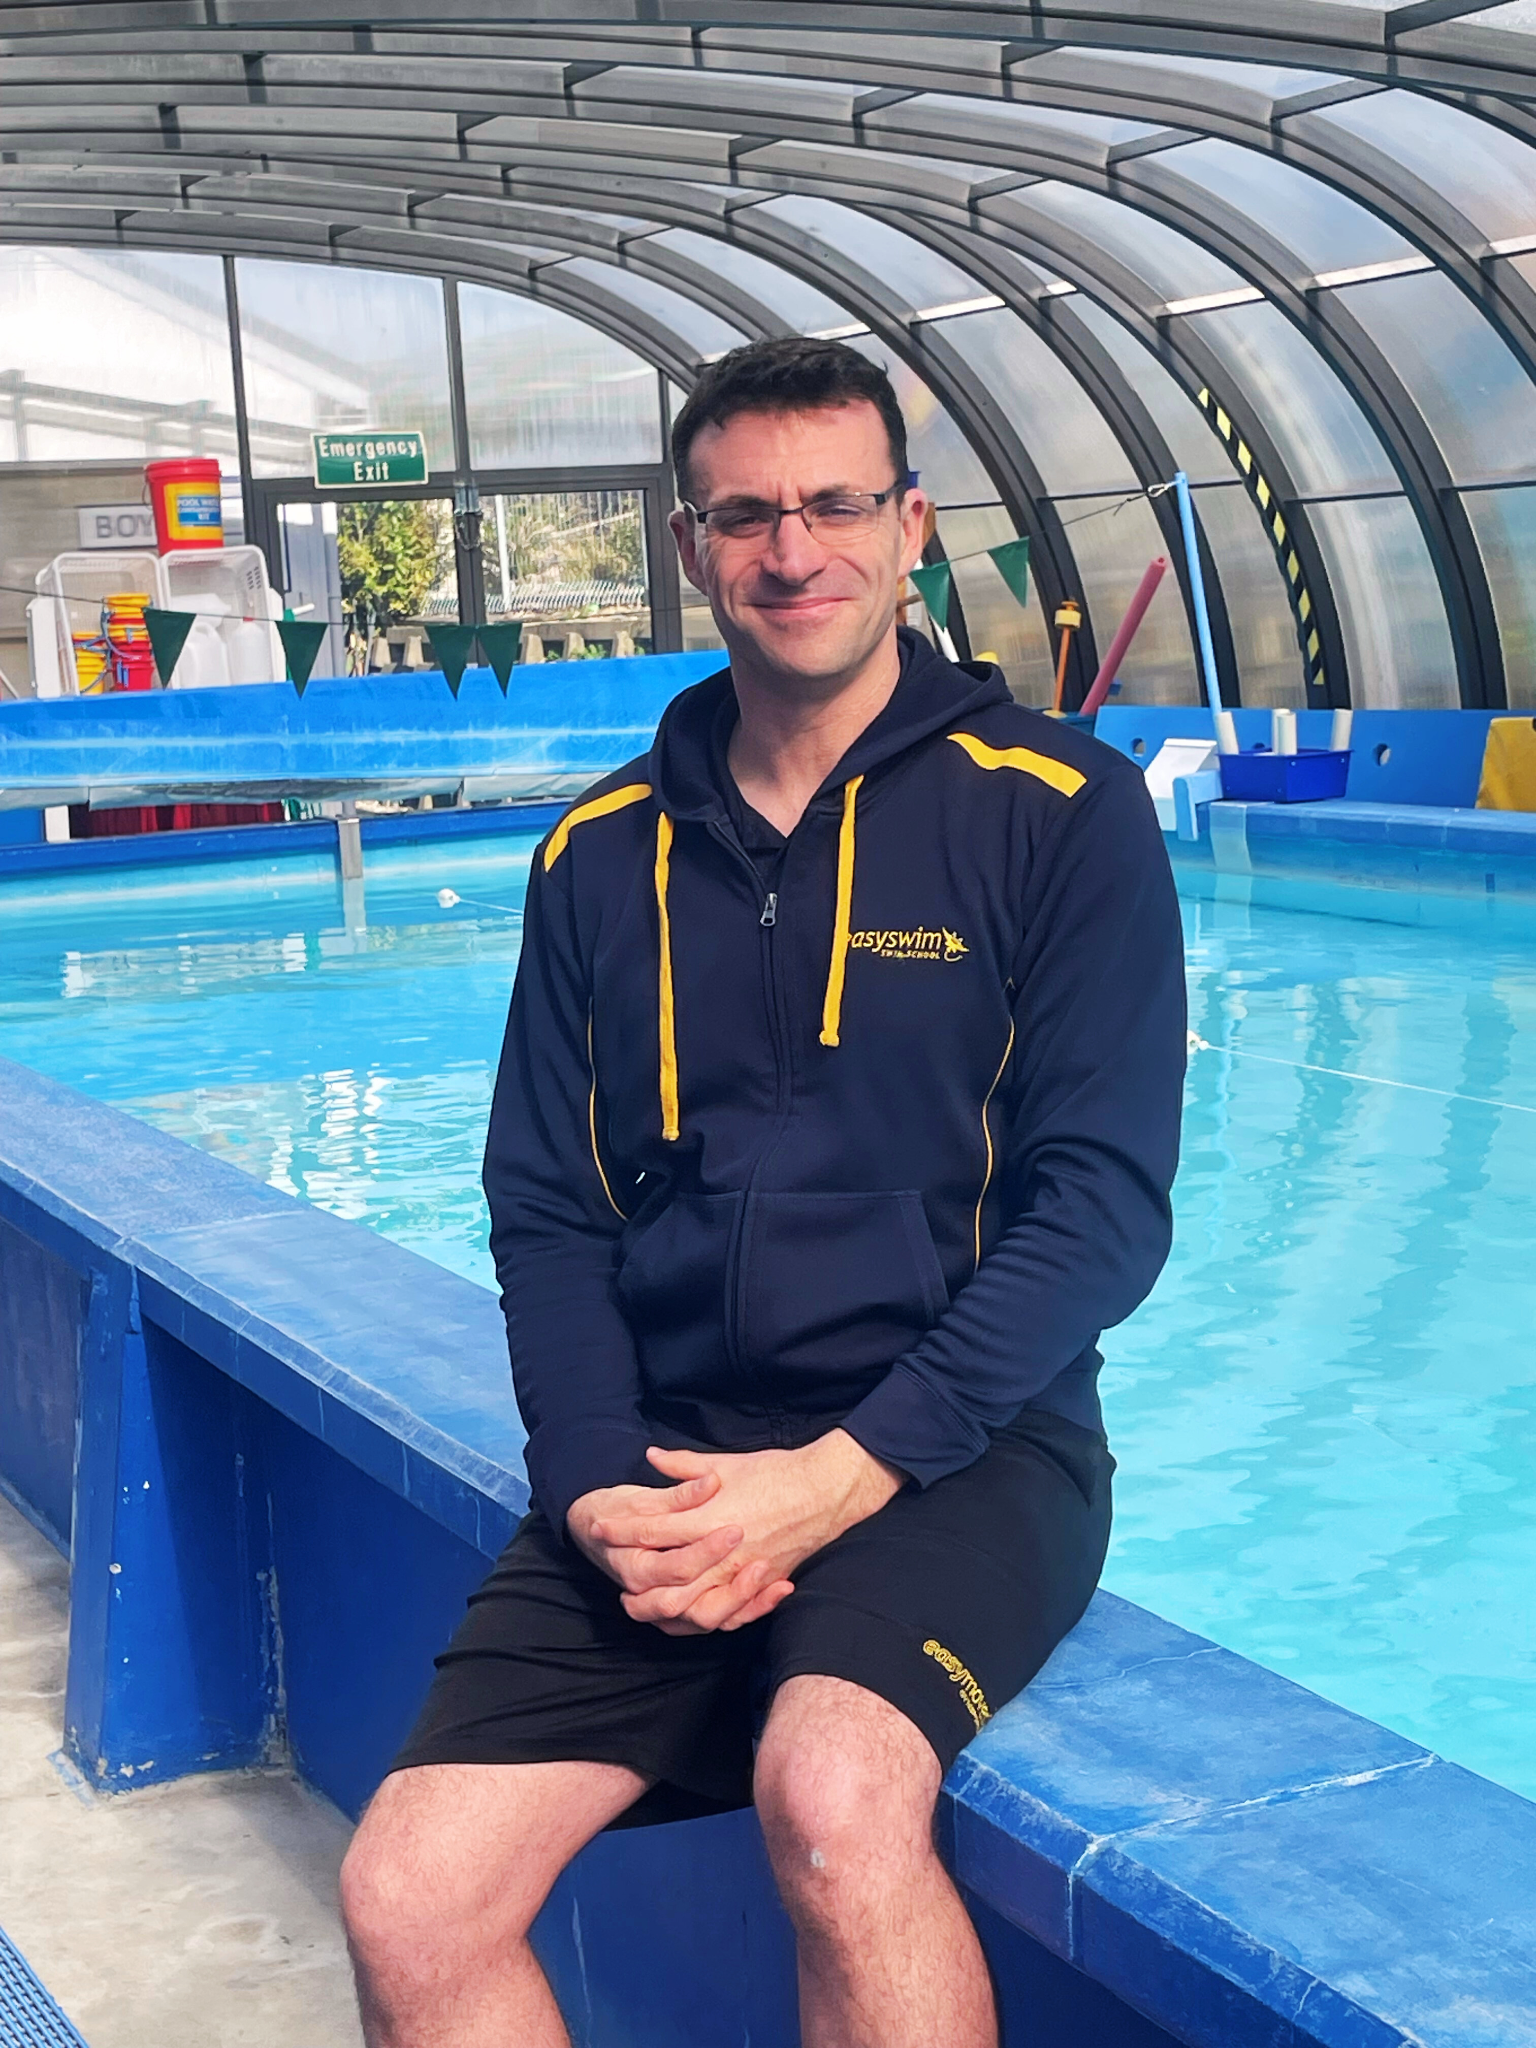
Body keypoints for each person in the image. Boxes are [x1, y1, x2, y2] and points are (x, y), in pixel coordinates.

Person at [340, 336, 1186, 2048]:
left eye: (832, 505)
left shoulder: (1058, 815)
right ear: (690, 543)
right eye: (746, 515)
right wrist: (591, 1490)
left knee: (835, 1803)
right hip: (666, 1465)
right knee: (410, 1896)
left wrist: (836, 1478)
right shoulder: (598, 854)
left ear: (912, 526)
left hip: (962, 1450)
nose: (791, 551)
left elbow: (1101, 1209)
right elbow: (546, 1210)